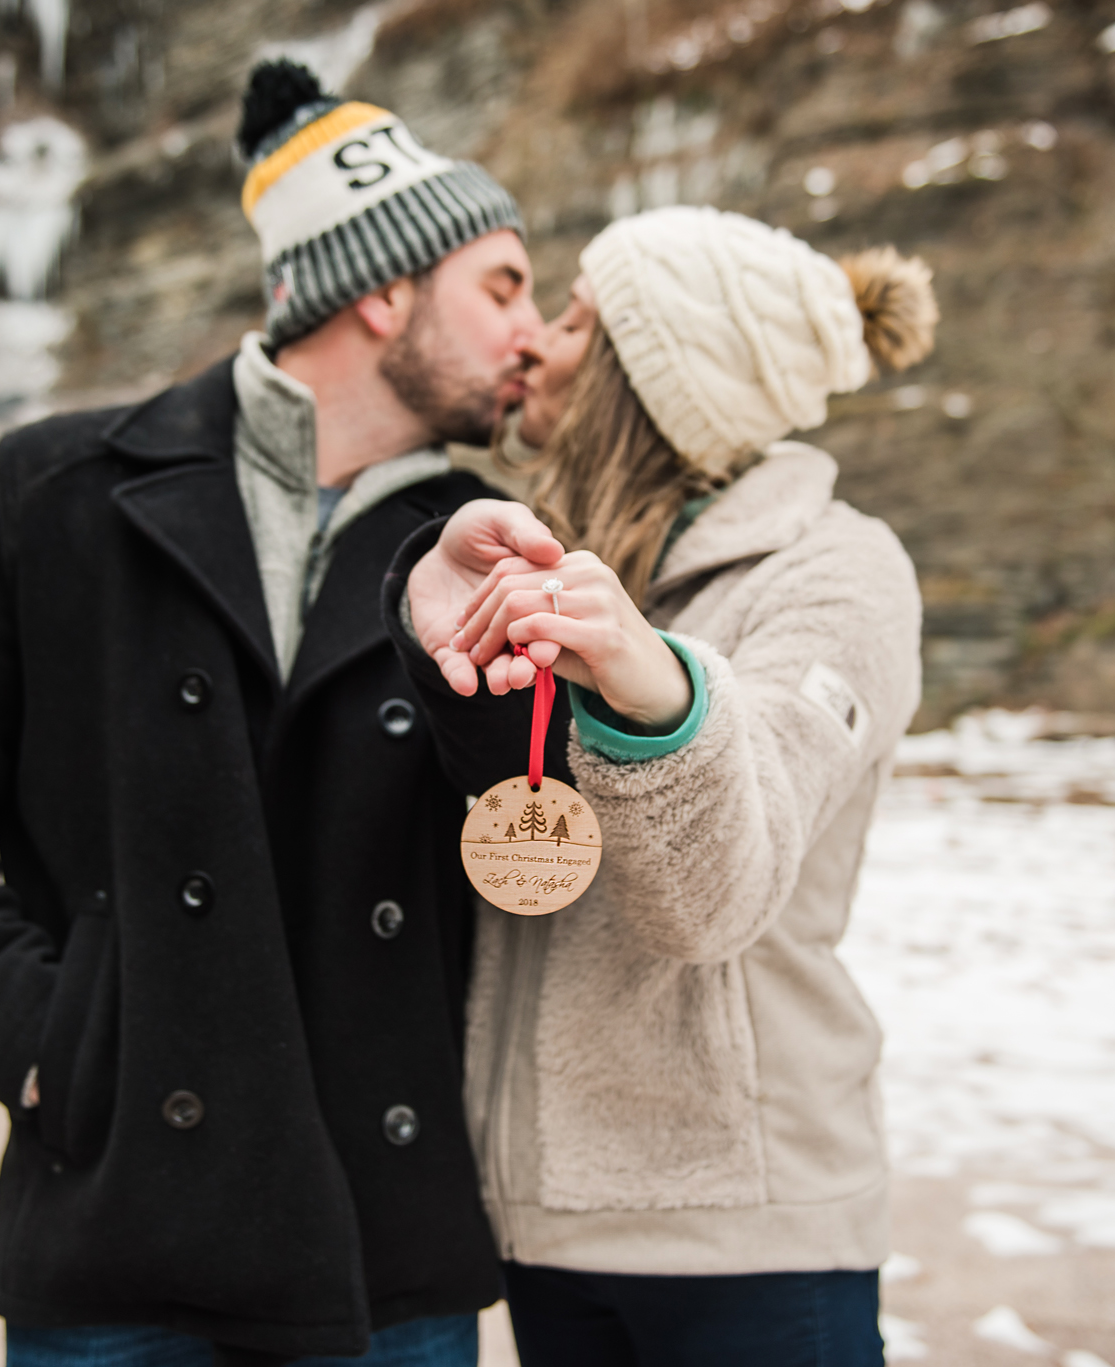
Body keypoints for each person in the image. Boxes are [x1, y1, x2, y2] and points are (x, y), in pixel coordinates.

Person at [0, 60, 542, 1367]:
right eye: (503, 285)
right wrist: (44, 1038)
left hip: (389, 1255)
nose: (533, 332)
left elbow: (531, 839)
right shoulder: (62, 491)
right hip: (121, 1228)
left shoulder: (488, 546)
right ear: (380, 290)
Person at [389, 205, 938, 1365]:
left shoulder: (839, 571)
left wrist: (658, 694)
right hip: (546, 1217)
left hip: (744, 1235)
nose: (534, 339)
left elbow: (715, 898)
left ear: (660, 375)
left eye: (580, 323)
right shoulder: (540, 554)